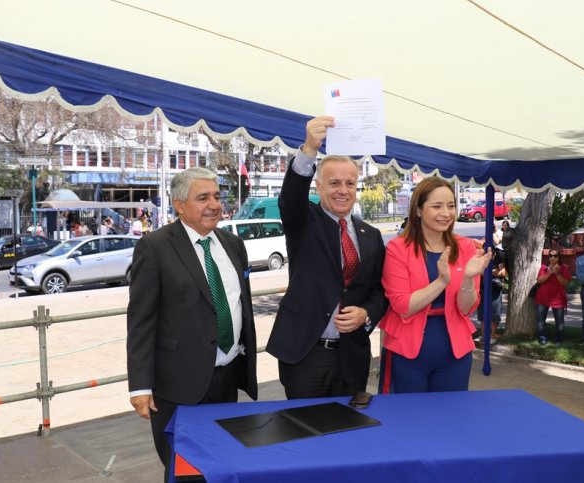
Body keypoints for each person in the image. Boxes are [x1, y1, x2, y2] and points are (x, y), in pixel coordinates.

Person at [127, 167, 257, 480]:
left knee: (224, 463)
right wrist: (140, 386)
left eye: (216, 196)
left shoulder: (232, 245)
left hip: (227, 378)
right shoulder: (155, 247)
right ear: (179, 204)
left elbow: (240, 306)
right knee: (185, 470)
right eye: (203, 198)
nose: (214, 204)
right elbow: (141, 320)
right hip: (178, 385)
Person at [266, 116, 388, 399]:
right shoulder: (303, 220)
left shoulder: (370, 235)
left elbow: (380, 291)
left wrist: (367, 313)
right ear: (318, 186)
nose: (342, 191)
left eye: (350, 183)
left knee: (348, 434)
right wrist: (309, 148)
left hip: (352, 356)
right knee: (306, 432)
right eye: (334, 182)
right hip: (306, 355)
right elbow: (290, 197)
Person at [379, 176, 492, 394]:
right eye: (437, 206)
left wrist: (468, 278)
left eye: (451, 206)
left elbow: (467, 308)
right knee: (407, 420)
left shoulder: (466, 247)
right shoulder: (398, 248)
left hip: (455, 356)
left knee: (450, 420)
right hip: (407, 354)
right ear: (419, 210)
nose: (446, 213)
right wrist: (441, 282)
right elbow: (403, 305)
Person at [534, 249, 572, 344]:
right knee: (540, 321)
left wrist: (558, 273)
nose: (553, 258)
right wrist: (549, 273)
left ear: (559, 257)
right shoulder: (544, 267)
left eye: (555, 256)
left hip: (558, 299)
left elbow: (565, 283)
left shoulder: (564, 268)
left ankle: (558, 339)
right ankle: (542, 338)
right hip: (543, 297)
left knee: (559, 323)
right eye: (550, 256)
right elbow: (539, 281)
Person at [477, 247, 506, 342]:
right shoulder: (480, 260)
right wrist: (494, 272)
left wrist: (489, 271)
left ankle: (492, 335)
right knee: (482, 313)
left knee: (495, 313)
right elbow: (480, 272)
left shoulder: (499, 257)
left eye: (491, 253)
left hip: (495, 289)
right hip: (483, 289)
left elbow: (502, 273)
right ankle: (483, 335)